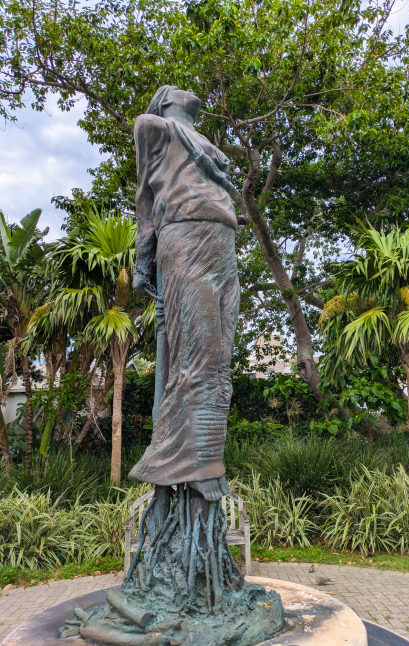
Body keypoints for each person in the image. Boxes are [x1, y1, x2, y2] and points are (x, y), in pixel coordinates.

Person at [128, 84, 240, 501]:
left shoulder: (210, 147)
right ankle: (183, 462)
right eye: (175, 89)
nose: (188, 90)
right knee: (198, 351)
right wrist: (145, 262)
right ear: (162, 100)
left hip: (223, 244)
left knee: (220, 359)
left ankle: (206, 455)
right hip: (185, 236)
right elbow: (145, 201)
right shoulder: (153, 126)